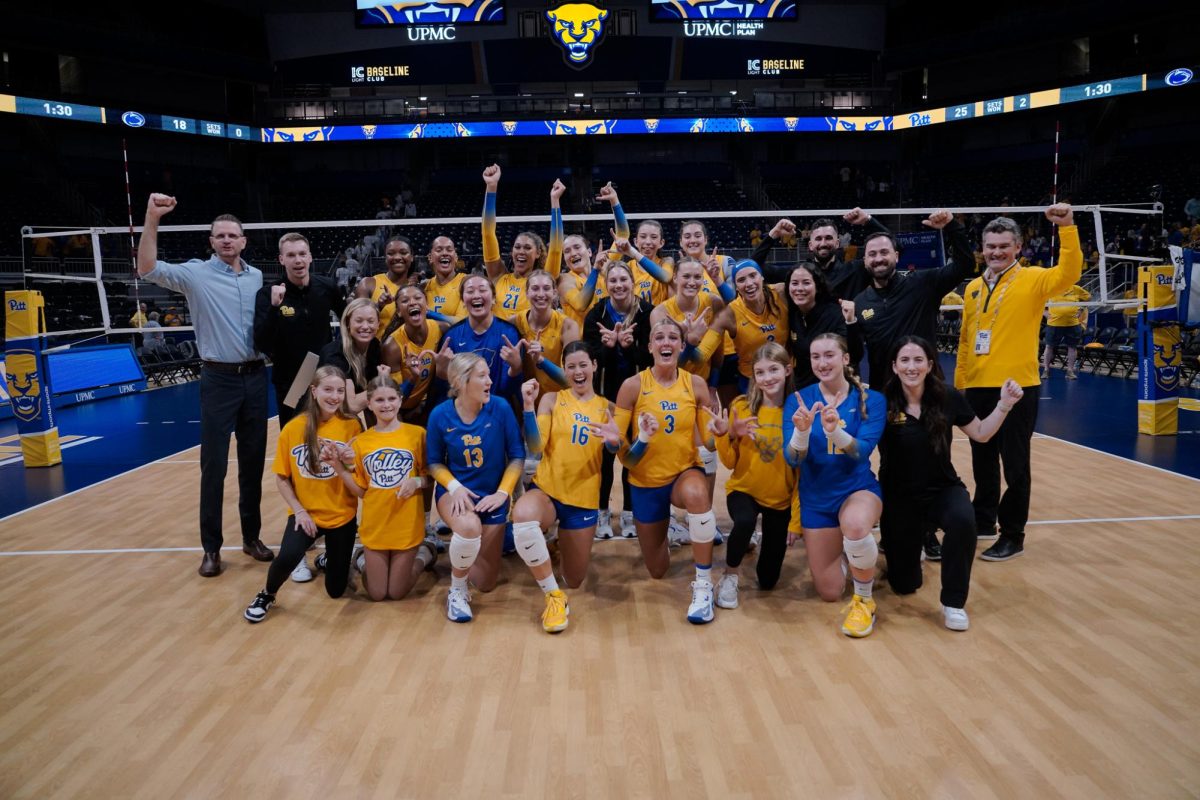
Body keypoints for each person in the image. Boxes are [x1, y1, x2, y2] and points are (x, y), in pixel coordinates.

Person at [137, 193, 274, 578]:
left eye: (234, 235)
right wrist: (152, 218)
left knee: (252, 465)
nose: (228, 241)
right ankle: (211, 549)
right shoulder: (195, 273)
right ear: (211, 241)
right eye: (221, 236)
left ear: (244, 241)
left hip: (255, 377)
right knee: (213, 467)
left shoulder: (257, 277)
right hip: (217, 378)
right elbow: (146, 268)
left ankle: (252, 538)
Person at [955, 204, 1081, 562]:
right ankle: (983, 521)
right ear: (983, 248)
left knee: (1015, 465)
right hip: (978, 387)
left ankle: (1013, 534)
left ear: (1018, 248)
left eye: (1003, 246)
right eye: (990, 246)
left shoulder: (1035, 279)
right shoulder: (973, 289)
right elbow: (967, 338)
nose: (996, 252)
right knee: (982, 461)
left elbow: (1070, 271)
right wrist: (962, 381)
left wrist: (1067, 227)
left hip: (1017, 388)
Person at [879, 336, 1022, 631]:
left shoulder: (947, 396)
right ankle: (910, 550)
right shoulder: (881, 402)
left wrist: (1004, 405)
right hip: (900, 498)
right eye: (904, 360)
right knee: (905, 585)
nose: (911, 366)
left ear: (930, 365)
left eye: (918, 360)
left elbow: (981, 433)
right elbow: (859, 446)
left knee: (962, 519)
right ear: (894, 366)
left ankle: (953, 602)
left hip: (942, 489)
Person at [613, 318, 721, 624]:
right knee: (657, 571)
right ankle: (670, 531)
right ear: (649, 347)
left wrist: (721, 434)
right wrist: (620, 441)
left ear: (681, 346)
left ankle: (703, 586)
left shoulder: (695, 384)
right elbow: (623, 452)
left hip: (683, 473)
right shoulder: (632, 387)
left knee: (698, 493)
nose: (666, 343)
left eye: (673, 337)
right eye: (659, 338)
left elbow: (708, 444)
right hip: (645, 483)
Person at [783, 333, 885, 638]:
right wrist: (801, 432)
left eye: (829, 355)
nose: (822, 362)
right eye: (815, 357)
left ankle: (864, 600)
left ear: (845, 359)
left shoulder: (871, 399)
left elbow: (861, 451)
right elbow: (792, 459)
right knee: (829, 592)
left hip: (856, 490)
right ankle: (854, 552)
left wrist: (834, 433)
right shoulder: (798, 400)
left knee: (854, 525)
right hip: (816, 500)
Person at [243, 366, 363, 622]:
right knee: (287, 557)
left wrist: (349, 463)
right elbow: (281, 477)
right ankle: (267, 594)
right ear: (314, 390)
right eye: (328, 389)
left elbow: (359, 477)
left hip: (342, 516)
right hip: (306, 513)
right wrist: (298, 510)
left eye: (340, 391)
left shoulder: (352, 426)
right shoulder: (294, 428)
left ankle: (327, 557)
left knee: (335, 591)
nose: (334, 396)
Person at [514, 343, 616, 631]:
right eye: (570, 366)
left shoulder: (607, 408)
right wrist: (527, 407)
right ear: (564, 370)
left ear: (594, 366)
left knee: (575, 579)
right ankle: (553, 596)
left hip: (582, 500)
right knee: (522, 516)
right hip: (547, 490)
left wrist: (614, 441)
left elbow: (619, 450)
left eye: (583, 364)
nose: (577, 371)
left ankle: (556, 544)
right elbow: (535, 445)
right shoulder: (551, 400)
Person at [427, 353, 526, 622]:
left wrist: (502, 493)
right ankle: (456, 590)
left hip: (493, 495)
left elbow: (517, 456)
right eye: (482, 376)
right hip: (455, 492)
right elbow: (434, 463)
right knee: (469, 526)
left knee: (485, 583)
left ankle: (468, 549)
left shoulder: (501, 408)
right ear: (460, 381)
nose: (490, 381)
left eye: (489, 375)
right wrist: (455, 487)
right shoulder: (440, 414)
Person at [327, 376, 438, 602]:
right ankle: (361, 557)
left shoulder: (417, 435)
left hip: (406, 526)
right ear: (369, 404)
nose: (386, 405)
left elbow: (430, 477)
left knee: (396, 593)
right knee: (377, 594)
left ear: (400, 399)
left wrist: (416, 482)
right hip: (376, 525)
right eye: (379, 400)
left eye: (391, 399)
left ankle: (424, 555)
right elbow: (361, 491)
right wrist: (338, 467)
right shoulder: (360, 442)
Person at [709, 342, 797, 609]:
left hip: (779, 499)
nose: (767, 378)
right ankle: (729, 576)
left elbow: (805, 472)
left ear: (788, 369)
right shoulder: (742, 406)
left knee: (768, 580)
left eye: (773, 370)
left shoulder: (797, 412)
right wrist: (728, 434)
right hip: (744, 489)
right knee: (745, 521)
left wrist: (797, 519)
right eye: (760, 372)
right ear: (753, 377)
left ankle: (753, 544)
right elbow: (729, 461)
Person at [849, 210, 975, 386]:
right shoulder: (860, 302)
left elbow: (965, 265)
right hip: (885, 394)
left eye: (884, 252)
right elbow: (854, 353)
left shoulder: (924, 284)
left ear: (897, 255)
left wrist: (951, 227)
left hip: (927, 391)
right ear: (864, 261)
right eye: (872, 254)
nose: (878, 259)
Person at [583, 261, 652, 540]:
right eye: (613, 280)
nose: (618, 285)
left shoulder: (646, 312)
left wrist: (629, 347)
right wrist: (609, 349)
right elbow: (590, 360)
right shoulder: (596, 314)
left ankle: (628, 513)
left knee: (630, 456)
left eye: (623, 279)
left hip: (638, 395)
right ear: (606, 284)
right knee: (604, 457)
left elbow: (650, 357)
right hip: (604, 395)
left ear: (632, 281)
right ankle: (601, 512)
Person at [254, 232, 345, 427]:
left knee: (331, 432)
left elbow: (348, 320)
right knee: (294, 435)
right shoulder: (267, 294)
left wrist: (338, 354)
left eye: (302, 254)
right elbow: (261, 342)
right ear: (281, 259)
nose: (298, 260)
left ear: (310, 257)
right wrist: (273, 307)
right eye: (291, 255)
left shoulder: (327, 287)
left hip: (325, 376)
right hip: (291, 380)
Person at [751, 210, 891, 301]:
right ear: (810, 245)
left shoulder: (856, 270)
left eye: (828, 238)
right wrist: (773, 235)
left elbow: (894, 249)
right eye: (818, 239)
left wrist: (868, 220)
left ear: (837, 243)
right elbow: (753, 268)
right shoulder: (797, 273)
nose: (823, 243)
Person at [431, 274, 524, 404]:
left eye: (482, 290)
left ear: (493, 299)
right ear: (463, 301)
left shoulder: (509, 333)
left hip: (496, 409)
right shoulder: (452, 337)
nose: (476, 295)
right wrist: (441, 373)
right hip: (463, 411)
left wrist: (516, 368)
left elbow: (507, 390)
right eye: (470, 291)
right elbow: (445, 393)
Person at [481, 165, 554, 321]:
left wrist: (555, 204)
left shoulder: (543, 281)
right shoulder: (498, 274)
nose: (521, 251)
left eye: (527, 248)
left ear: (538, 253)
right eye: (517, 247)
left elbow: (556, 250)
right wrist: (491, 187)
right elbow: (488, 233)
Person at [784, 262, 859, 387]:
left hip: (834, 389)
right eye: (795, 283)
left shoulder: (835, 315)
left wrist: (851, 322)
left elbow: (855, 355)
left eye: (806, 283)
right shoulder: (792, 315)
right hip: (803, 390)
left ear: (817, 287)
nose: (800, 288)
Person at [600, 184, 675, 306]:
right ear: (635, 241)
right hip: (632, 322)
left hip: (659, 323)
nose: (648, 242)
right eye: (643, 237)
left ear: (662, 243)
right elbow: (623, 233)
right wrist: (614, 201)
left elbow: (665, 277)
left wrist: (633, 253)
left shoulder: (666, 262)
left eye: (654, 237)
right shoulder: (626, 268)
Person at [382, 286, 446, 424]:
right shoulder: (392, 346)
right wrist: (413, 378)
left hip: (429, 404)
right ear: (399, 312)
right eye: (405, 300)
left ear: (427, 305)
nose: (412, 302)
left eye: (418, 298)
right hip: (402, 410)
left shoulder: (440, 329)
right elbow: (395, 399)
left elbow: (463, 323)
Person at [514, 269, 581, 399]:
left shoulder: (568, 326)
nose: (541, 294)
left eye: (546, 288)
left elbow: (571, 380)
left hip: (556, 402)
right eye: (535, 289)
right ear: (526, 293)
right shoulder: (515, 323)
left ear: (554, 293)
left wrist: (541, 361)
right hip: (525, 400)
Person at [319, 298, 388, 418]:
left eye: (371, 321)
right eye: (359, 321)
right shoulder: (334, 355)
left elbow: (368, 400)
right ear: (347, 323)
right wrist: (381, 383)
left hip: (340, 417)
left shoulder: (374, 346)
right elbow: (351, 406)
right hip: (318, 419)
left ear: (378, 324)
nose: (365, 326)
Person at [356, 235, 418, 338]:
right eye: (391, 253)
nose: (397, 257)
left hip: (409, 352)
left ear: (411, 257)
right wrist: (378, 306)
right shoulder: (368, 283)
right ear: (385, 258)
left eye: (403, 253)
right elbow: (356, 319)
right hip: (375, 351)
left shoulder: (418, 289)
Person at [557, 233, 606, 330]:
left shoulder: (604, 275)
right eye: (567, 251)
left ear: (589, 252)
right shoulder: (565, 279)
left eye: (577, 247)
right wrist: (595, 269)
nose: (573, 253)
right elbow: (580, 304)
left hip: (608, 340)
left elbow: (623, 236)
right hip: (582, 343)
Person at [1042, 283, 1090, 380]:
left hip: (1072, 323)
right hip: (1054, 323)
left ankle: (1070, 371)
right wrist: (1044, 312)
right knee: (1049, 346)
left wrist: (1081, 309)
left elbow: (1088, 298)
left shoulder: (1076, 289)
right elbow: (1039, 300)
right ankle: (1046, 370)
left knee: (1072, 347)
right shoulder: (1051, 288)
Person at [423, 236, 466, 318]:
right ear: (430, 257)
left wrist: (428, 312)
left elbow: (462, 322)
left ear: (456, 257)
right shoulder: (424, 287)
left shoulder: (466, 283)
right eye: (439, 250)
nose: (445, 253)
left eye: (449, 250)